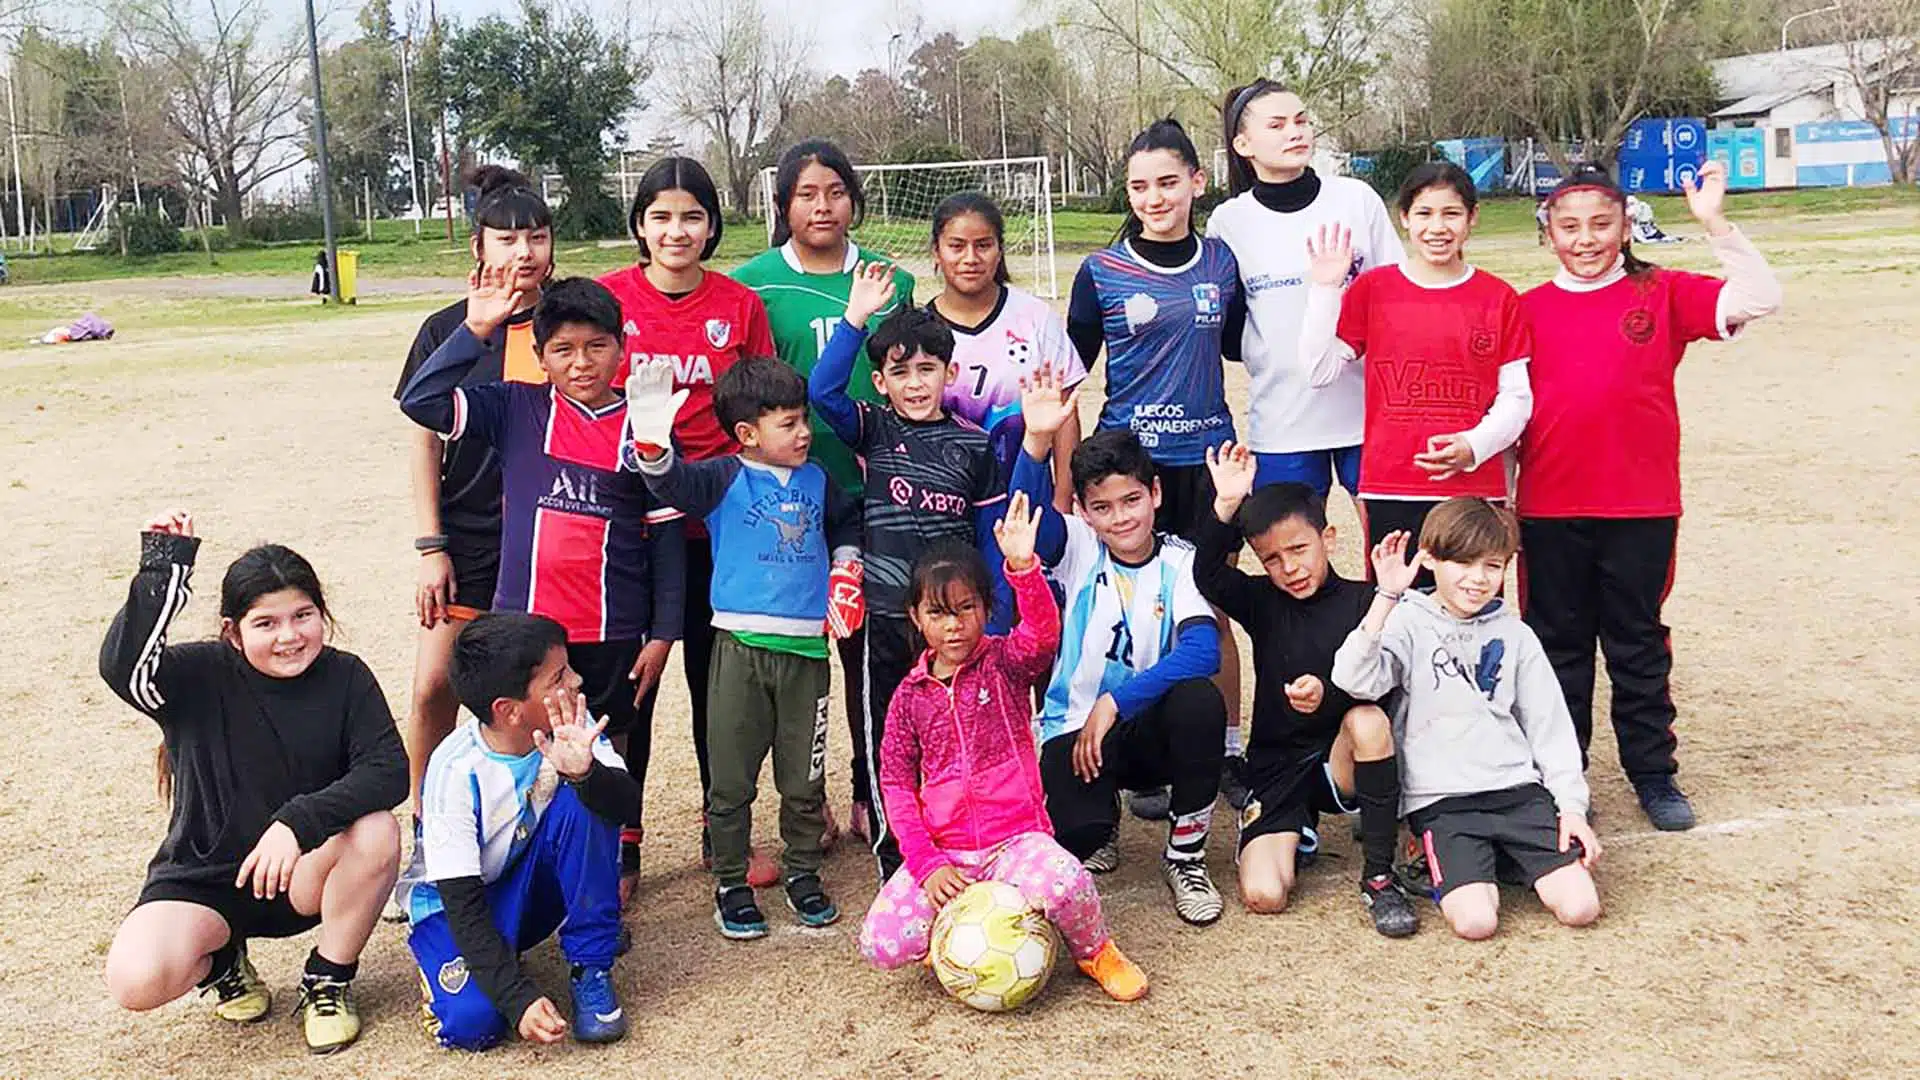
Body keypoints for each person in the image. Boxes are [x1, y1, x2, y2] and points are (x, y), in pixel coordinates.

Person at [399, 273, 686, 898]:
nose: (581, 363)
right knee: (518, 755)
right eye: (563, 349)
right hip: (525, 633)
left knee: (603, 754)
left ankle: (605, 873)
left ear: (621, 348)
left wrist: (664, 632)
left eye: (596, 347)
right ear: (540, 355)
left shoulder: (647, 420)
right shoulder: (513, 408)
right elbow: (419, 402)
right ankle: (501, 876)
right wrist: (474, 330)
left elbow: (666, 536)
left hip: (610, 629)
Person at [1520, 161, 1781, 831]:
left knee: (1636, 642)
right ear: (1548, 231)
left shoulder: (1659, 292)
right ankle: (1561, 774)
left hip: (1640, 504)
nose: (1586, 240)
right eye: (1570, 226)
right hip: (1549, 507)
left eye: (1601, 225)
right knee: (1557, 645)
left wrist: (1714, 223)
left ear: (1626, 225)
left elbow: (1758, 296)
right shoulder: (1526, 310)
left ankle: (1653, 773)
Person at [99, 511, 406, 1054]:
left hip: (302, 873)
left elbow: (387, 771)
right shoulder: (195, 675)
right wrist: (162, 568)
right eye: (266, 623)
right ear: (232, 632)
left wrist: (296, 824)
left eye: (303, 616)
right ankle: (222, 961)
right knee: (134, 979)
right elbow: (125, 670)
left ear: (321, 615)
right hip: (205, 880)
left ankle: (328, 980)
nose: (289, 636)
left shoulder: (347, 676)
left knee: (378, 830)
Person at [858, 497, 1148, 1002]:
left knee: (1067, 883)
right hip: (946, 852)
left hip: (1014, 841)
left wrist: (1022, 567)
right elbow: (897, 786)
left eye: (966, 609)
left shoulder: (1004, 664)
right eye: (938, 613)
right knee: (881, 943)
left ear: (985, 609)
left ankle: (1095, 951)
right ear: (916, 617)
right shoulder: (908, 697)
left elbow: (1041, 636)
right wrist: (927, 864)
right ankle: (959, 943)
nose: (954, 626)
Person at [626, 355, 863, 940]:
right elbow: (671, 482)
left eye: (803, 418)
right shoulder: (724, 476)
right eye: (787, 423)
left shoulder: (818, 479)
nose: (804, 432)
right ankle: (731, 881)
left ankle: (803, 872)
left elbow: (847, 524)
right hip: (737, 647)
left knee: (803, 779)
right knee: (730, 781)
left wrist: (845, 567)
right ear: (747, 434)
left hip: (807, 654)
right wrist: (654, 443)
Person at [597, 155, 780, 886]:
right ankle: (621, 839)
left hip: (718, 529)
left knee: (721, 688)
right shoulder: (608, 300)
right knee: (629, 688)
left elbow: (761, 410)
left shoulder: (738, 306)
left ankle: (721, 831)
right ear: (639, 225)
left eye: (692, 216)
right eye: (662, 216)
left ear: (712, 225)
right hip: (629, 528)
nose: (677, 230)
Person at [809, 263, 1021, 880]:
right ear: (880, 382)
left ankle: (963, 842)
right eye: (899, 372)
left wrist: (995, 617)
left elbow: (987, 539)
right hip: (885, 618)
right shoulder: (874, 428)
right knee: (887, 742)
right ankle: (896, 859)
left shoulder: (975, 445)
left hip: (954, 628)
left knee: (955, 738)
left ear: (948, 373)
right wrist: (854, 320)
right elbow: (823, 392)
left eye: (927, 368)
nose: (915, 382)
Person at [733, 139, 916, 846]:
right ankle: (795, 805)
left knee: (871, 655)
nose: (822, 206)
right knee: (788, 658)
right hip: (788, 502)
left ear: (854, 199)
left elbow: (908, 373)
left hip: (872, 495)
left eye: (835, 192)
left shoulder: (887, 281)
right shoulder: (753, 283)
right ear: (783, 204)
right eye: (807, 194)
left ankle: (875, 787)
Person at [1066, 118, 1246, 813]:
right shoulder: (1101, 271)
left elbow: (1236, 349)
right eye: (1139, 185)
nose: (1153, 197)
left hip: (1205, 464)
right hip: (1129, 471)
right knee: (1131, 616)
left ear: (1197, 183)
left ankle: (1225, 749)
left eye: (1168, 182)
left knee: (1209, 607)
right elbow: (1069, 373)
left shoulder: (1222, 263)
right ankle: (1137, 755)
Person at [1012, 376, 1230, 926]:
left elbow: (1204, 650)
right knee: (1075, 839)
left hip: (1143, 728)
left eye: (1132, 500)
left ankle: (1186, 855)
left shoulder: (1183, 561)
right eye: (1103, 507)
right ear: (1084, 512)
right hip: (1076, 733)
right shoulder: (1078, 548)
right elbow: (1023, 521)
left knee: (1200, 701)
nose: (1121, 517)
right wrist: (1037, 444)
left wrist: (1116, 703)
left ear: (1155, 495)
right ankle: (1101, 821)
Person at [1332, 500, 1603, 941]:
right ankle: (1448, 853)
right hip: (1442, 801)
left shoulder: (1516, 634)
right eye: (1462, 562)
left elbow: (1549, 728)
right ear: (1430, 559)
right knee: (1476, 922)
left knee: (1581, 908)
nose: (1478, 579)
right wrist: (1386, 597)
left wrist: (1571, 808)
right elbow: (1352, 679)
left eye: (1492, 566)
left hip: (1516, 793)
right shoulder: (1408, 621)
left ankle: (1509, 856)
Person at [1193, 445, 1416, 937]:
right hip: (1278, 766)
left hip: (1343, 758)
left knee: (1368, 720)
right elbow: (1205, 574)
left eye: (1299, 550)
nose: (1289, 568)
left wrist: (1330, 697)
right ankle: (1297, 833)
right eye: (1272, 559)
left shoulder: (1365, 600)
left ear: (1328, 538)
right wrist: (1226, 505)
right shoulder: (1262, 601)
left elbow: (1391, 686)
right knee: (1264, 895)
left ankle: (1379, 875)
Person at [393, 165, 553, 823]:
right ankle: (427, 826)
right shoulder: (446, 329)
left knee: (545, 689)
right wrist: (433, 545)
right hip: (472, 537)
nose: (524, 253)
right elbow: (423, 435)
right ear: (479, 247)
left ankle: (540, 827)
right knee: (436, 686)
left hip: (551, 536)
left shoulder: (571, 318)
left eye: (538, 238)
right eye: (508, 240)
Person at [399, 613, 635, 1049]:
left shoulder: (572, 727)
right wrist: (517, 998)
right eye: (560, 677)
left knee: (586, 798)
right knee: (475, 1026)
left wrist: (585, 774)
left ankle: (591, 965)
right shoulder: (454, 770)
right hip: (457, 908)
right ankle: (446, 965)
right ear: (508, 711)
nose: (578, 680)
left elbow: (624, 807)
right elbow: (463, 904)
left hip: (524, 887)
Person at [1298, 160, 1533, 588]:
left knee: (1473, 606)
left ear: (1472, 218)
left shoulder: (1499, 298)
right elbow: (1319, 369)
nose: (1437, 227)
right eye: (1424, 214)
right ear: (1404, 219)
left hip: (1472, 487)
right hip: (1392, 484)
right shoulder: (1374, 290)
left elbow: (1516, 397)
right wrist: (1326, 289)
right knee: (1396, 612)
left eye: (1451, 213)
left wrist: (1473, 445)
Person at [1205, 79, 1402, 502]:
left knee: (1388, 550)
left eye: (1301, 121)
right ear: (1243, 144)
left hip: (1368, 413)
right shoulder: (1229, 221)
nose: (1295, 132)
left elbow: (1397, 297)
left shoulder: (1356, 199)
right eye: (1276, 125)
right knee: (1294, 556)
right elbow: (1232, 335)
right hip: (1283, 421)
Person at [925, 191, 1084, 514]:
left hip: (1026, 501)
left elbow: (1065, 417)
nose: (970, 258)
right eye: (956, 246)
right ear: (936, 253)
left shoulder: (1035, 318)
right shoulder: (919, 329)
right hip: (943, 507)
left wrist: (1063, 501)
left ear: (1000, 251)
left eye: (983, 245)